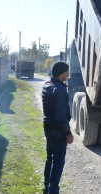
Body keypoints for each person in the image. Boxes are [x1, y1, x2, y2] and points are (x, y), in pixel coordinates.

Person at [42, 61, 73, 194]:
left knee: (50, 158)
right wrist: (68, 133)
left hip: (48, 129)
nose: (68, 73)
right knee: (58, 162)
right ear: (61, 73)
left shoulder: (47, 85)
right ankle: (53, 191)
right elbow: (60, 116)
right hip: (58, 132)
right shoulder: (60, 90)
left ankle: (46, 188)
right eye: (67, 71)